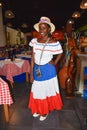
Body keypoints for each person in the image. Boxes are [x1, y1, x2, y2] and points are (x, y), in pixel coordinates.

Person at [28, 16, 63, 121]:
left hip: (48, 70)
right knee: (38, 90)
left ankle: (45, 111)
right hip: (37, 69)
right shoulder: (34, 41)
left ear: (49, 29)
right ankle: (39, 109)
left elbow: (61, 53)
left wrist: (55, 62)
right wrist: (31, 73)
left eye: (43, 28)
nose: (41, 30)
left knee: (46, 91)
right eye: (40, 28)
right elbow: (33, 56)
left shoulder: (53, 42)